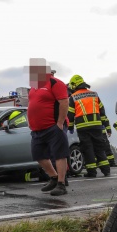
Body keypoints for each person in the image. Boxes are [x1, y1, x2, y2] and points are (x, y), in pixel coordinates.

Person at [26, 59, 70, 196]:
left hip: (53, 126)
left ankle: (61, 184)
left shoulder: (55, 83)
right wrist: (30, 121)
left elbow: (64, 101)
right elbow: (32, 105)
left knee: (59, 154)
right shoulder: (34, 87)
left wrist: (60, 122)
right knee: (38, 154)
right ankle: (54, 177)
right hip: (37, 129)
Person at [68, 75, 111, 178]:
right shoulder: (94, 94)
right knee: (99, 148)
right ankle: (106, 170)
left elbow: (70, 115)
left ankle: (92, 172)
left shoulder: (73, 97)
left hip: (83, 128)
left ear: (74, 85)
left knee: (87, 149)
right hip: (96, 126)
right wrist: (107, 127)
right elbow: (102, 112)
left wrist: (69, 127)